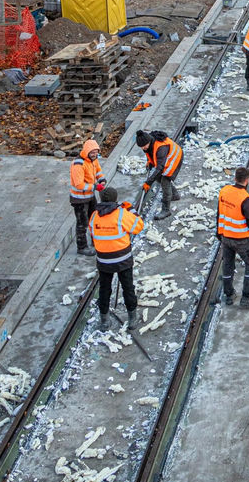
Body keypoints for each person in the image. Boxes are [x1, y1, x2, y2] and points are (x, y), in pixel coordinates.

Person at [88, 186, 145, 331]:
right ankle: (132, 318)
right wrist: (131, 209)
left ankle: (104, 320)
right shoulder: (121, 214)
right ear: (115, 199)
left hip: (104, 261)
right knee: (128, 287)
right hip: (123, 260)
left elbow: (92, 233)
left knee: (104, 289)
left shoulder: (94, 216)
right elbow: (139, 226)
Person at [217, 166, 249, 309]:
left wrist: (219, 233)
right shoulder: (247, 199)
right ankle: (246, 299)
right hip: (241, 239)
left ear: (235, 178)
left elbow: (219, 213)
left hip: (226, 236)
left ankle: (229, 295)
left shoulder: (224, 191)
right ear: (247, 180)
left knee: (227, 265)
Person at [136, 129, 183, 220]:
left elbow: (160, 168)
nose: (143, 148)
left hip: (174, 159)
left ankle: (166, 210)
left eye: (143, 146)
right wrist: (149, 162)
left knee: (165, 181)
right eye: (141, 147)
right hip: (165, 159)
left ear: (148, 141)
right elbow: (150, 153)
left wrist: (148, 182)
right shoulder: (148, 143)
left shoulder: (161, 148)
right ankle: (175, 195)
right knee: (158, 178)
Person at [70, 139, 106, 257]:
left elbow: (98, 171)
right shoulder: (78, 164)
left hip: (90, 196)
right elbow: (79, 184)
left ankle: (95, 241)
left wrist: (102, 179)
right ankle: (82, 247)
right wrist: (95, 186)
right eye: (92, 152)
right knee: (82, 223)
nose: (95, 155)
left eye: (96, 152)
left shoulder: (93, 160)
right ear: (86, 152)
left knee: (93, 219)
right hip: (79, 199)